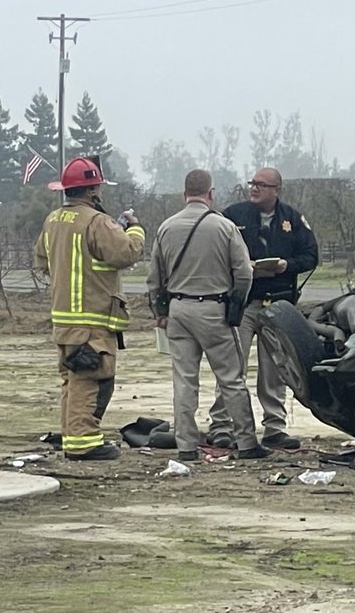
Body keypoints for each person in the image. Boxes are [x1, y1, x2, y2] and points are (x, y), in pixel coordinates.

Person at [147, 170, 270, 461]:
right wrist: (236, 305)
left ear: (184, 193)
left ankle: (186, 446)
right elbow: (243, 273)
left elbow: (155, 278)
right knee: (231, 378)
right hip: (214, 309)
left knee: (184, 381)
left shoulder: (166, 227)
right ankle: (246, 442)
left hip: (178, 310)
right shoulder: (224, 227)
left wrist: (160, 312)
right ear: (211, 194)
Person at [34, 157, 145, 460]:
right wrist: (134, 230)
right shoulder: (96, 221)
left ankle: (73, 437)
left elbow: (42, 261)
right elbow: (125, 253)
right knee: (90, 378)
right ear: (93, 190)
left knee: (72, 379)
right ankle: (83, 443)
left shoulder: (53, 219)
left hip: (63, 319)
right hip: (92, 318)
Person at [205, 167, 318, 450]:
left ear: (276, 190)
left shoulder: (292, 219)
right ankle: (221, 426)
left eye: (261, 185)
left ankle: (275, 428)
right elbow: (216, 254)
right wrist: (244, 270)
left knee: (274, 371)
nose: (254, 189)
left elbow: (310, 256)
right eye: (252, 183)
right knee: (232, 368)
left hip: (278, 306)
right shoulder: (233, 216)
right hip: (242, 304)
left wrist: (285, 266)